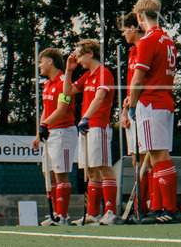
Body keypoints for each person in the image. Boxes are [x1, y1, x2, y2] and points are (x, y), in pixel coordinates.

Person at [128, 0, 181, 224]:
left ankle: (169, 209)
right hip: (164, 101)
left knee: (158, 156)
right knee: (157, 157)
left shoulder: (147, 41)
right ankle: (162, 209)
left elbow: (138, 78)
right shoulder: (168, 40)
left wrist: (131, 105)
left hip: (150, 103)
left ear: (140, 17)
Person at [64, 39, 120, 226]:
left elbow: (99, 98)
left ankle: (110, 211)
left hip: (98, 125)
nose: (78, 59)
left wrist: (85, 117)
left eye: (80, 56)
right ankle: (92, 214)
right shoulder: (87, 76)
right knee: (90, 170)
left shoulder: (104, 74)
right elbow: (68, 92)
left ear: (90, 54)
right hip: (86, 126)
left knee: (104, 166)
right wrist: (69, 70)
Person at [31, 48, 76, 226]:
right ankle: (55, 215)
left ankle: (62, 217)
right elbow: (45, 111)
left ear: (50, 61)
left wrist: (44, 125)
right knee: (48, 174)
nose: (39, 66)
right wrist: (38, 132)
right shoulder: (47, 84)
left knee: (61, 174)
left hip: (63, 132)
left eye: (41, 62)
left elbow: (62, 110)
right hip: (50, 132)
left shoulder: (64, 81)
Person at [118, 12, 144, 219]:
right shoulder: (132, 51)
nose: (123, 34)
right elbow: (130, 85)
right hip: (132, 107)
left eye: (125, 29)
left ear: (134, 28)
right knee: (136, 158)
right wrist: (125, 109)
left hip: (145, 106)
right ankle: (140, 205)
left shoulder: (145, 46)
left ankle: (148, 205)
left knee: (147, 156)